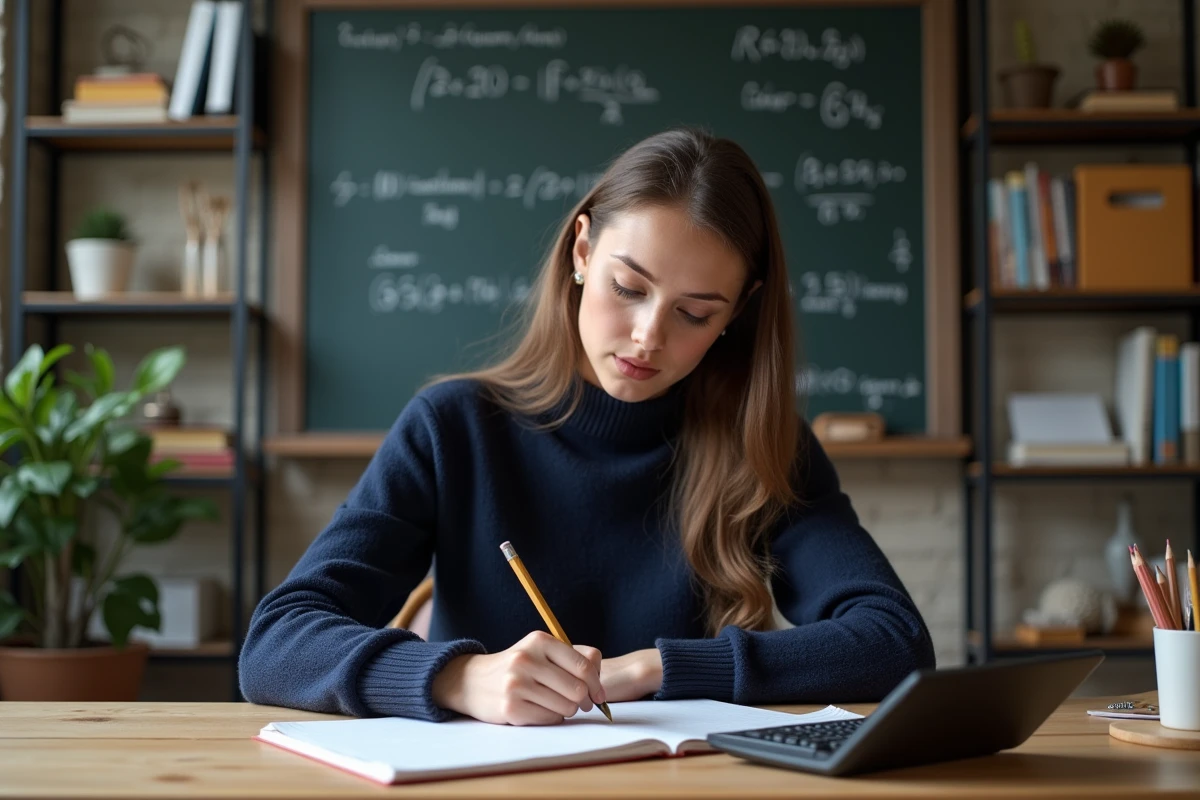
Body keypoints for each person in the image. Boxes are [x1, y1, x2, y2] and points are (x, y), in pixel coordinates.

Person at [240, 127, 935, 725]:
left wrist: (654, 672)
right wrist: (458, 679)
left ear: (737, 315)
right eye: (627, 288)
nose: (645, 337)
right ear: (581, 252)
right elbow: (275, 644)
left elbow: (895, 642)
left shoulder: (764, 447)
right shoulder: (453, 427)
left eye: (695, 313)